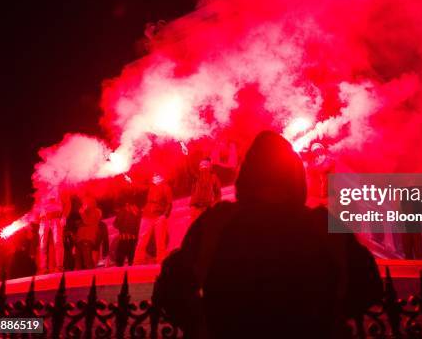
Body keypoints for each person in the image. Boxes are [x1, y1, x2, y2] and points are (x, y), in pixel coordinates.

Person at [154, 131, 382, 338]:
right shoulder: (321, 225)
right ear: (295, 176)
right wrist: (331, 318)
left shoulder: (217, 222)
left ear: (247, 176)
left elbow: (171, 284)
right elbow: (367, 284)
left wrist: (201, 325)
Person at [134, 174, 173, 264]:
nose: (155, 176)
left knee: (160, 241)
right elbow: (140, 188)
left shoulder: (166, 187)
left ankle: (161, 261)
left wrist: (165, 215)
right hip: (147, 215)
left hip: (159, 216)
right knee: (142, 240)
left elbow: (169, 203)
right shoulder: (150, 186)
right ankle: (137, 261)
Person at [34, 188, 70, 273]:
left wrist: (64, 216)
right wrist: (36, 217)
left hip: (56, 218)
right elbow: (37, 206)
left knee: (58, 242)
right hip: (43, 220)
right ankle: (43, 268)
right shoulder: (41, 190)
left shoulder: (60, 189)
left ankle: (59, 266)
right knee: (43, 245)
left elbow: (68, 204)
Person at [74, 195, 102, 270]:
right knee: (77, 263)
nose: (83, 205)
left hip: (87, 239)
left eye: (85, 203)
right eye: (83, 203)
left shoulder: (96, 211)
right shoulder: (85, 212)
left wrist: (82, 213)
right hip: (80, 240)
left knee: (88, 261)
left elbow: (88, 222)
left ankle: (93, 277)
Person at [113, 200, 141, 266]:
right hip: (133, 240)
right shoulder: (138, 213)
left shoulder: (123, 212)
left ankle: (122, 275)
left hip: (125, 239)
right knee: (131, 261)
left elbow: (116, 224)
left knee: (120, 261)